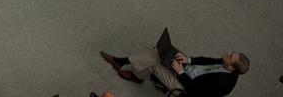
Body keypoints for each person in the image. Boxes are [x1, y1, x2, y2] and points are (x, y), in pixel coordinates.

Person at [100, 46, 248, 95]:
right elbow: (207, 60)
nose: (228, 54)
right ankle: (131, 70)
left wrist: (180, 73)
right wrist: (189, 60)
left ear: (231, 67)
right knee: (159, 51)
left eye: (230, 57)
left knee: (153, 62)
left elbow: (196, 92)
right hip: (187, 70)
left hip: (185, 86)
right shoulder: (225, 65)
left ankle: (126, 66)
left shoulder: (223, 84)